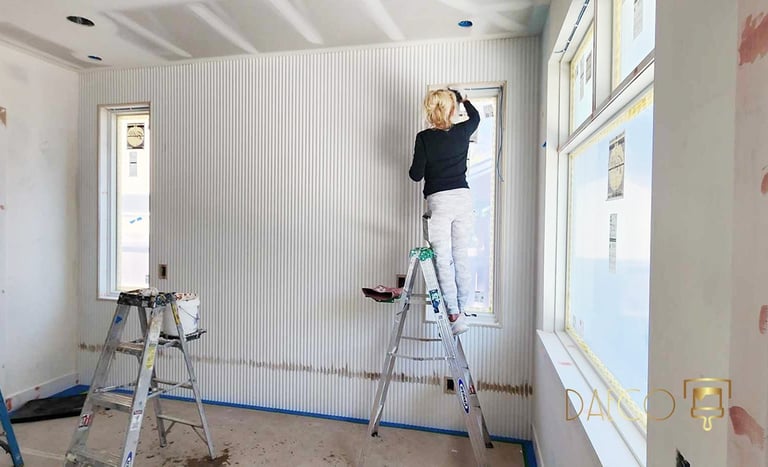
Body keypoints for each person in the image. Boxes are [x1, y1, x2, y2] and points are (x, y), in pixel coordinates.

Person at [408, 88, 480, 335]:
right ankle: (464, 307)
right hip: (463, 198)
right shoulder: (462, 132)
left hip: (440, 201)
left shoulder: (424, 138)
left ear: (430, 111)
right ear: (452, 109)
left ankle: (453, 315)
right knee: (461, 255)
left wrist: (427, 161)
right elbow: (476, 118)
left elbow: (415, 175)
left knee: (443, 258)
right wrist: (465, 99)